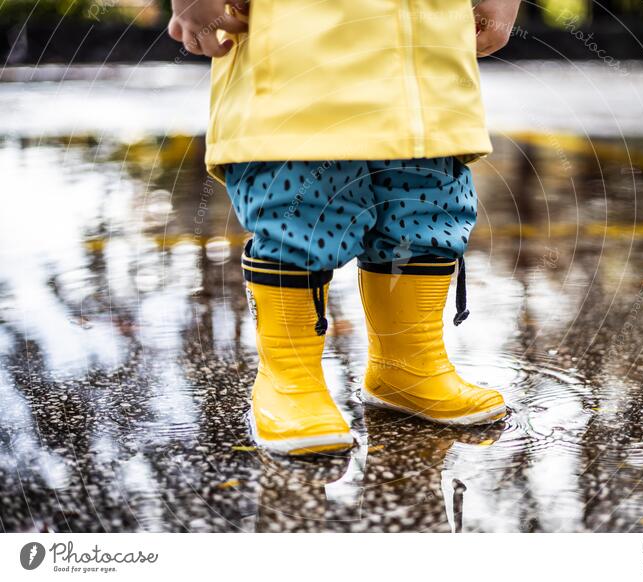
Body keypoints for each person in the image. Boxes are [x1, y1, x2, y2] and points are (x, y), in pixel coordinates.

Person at [168, 0, 522, 455]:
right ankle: (290, 379)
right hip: (296, 48)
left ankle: (407, 365)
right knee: (297, 210)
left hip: (428, 54)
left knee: (427, 208)